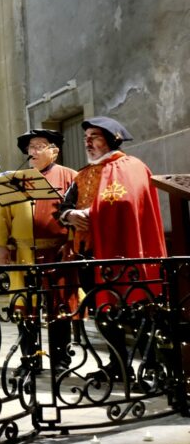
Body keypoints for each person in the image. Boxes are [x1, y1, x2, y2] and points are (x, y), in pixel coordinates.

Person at [57, 116, 167, 378]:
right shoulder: (82, 174)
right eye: (86, 139)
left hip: (127, 252)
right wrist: (69, 215)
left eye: (94, 137)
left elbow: (130, 204)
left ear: (112, 139)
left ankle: (152, 366)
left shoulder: (133, 167)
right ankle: (118, 365)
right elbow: (62, 207)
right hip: (90, 253)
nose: (88, 143)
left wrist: (92, 213)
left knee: (138, 310)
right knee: (101, 310)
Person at [0, 129, 78, 375]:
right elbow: (2, 213)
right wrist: (3, 247)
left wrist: (73, 245)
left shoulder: (70, 177)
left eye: (39, 146)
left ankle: (60, 362)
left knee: (59, 309)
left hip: (59, 253)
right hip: (23, 254)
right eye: (30, 148)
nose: (33, 152)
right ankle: (30, 360)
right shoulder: (16, 179)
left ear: (54, 151)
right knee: (25, 310)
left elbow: (80, 213)